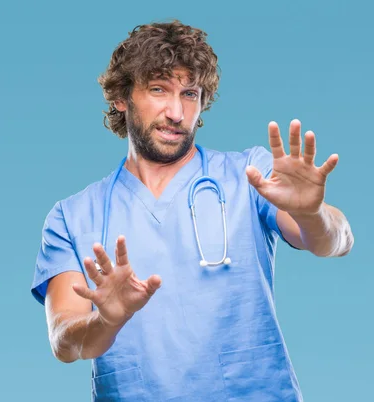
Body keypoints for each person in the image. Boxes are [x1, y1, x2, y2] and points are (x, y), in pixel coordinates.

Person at [30, 19, 353, 401]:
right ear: (121, 97)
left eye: (189, 94)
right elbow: (65, 343)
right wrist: (106, 321)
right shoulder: (73, 216)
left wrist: (312, 214)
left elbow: (334, 241)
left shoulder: (248, 176)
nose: (176, 112)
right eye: (157, 89)